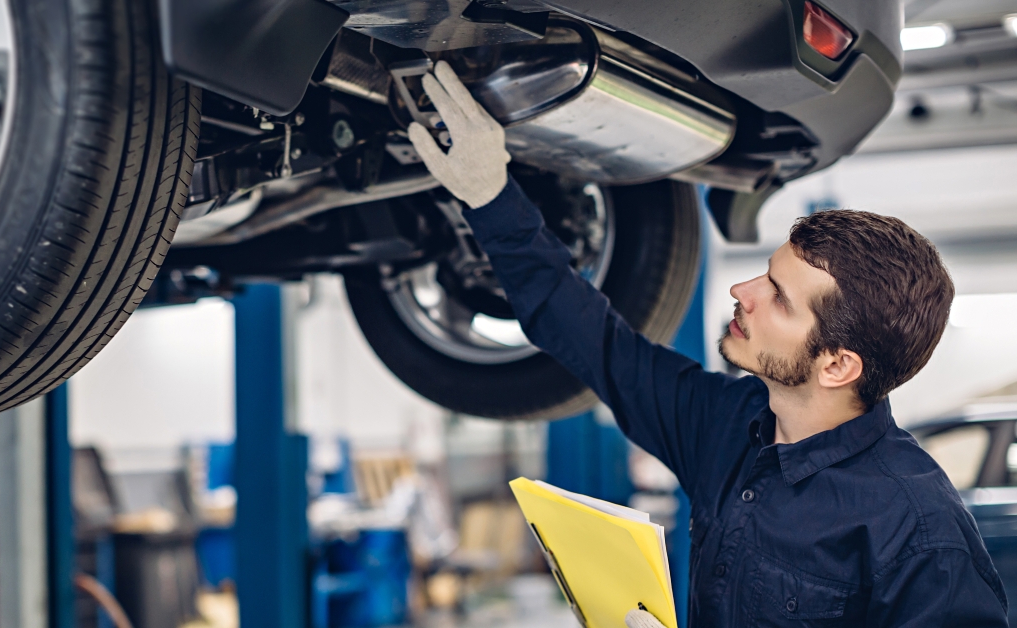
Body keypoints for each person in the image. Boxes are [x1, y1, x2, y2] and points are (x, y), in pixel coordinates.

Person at [407, 61, 1009, 627]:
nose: (743, 292)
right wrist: (491, 198)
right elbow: (594, 341)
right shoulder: (729, 423)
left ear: (836, 364)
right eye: (763, 274)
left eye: (778, 296)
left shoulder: (921, 533)